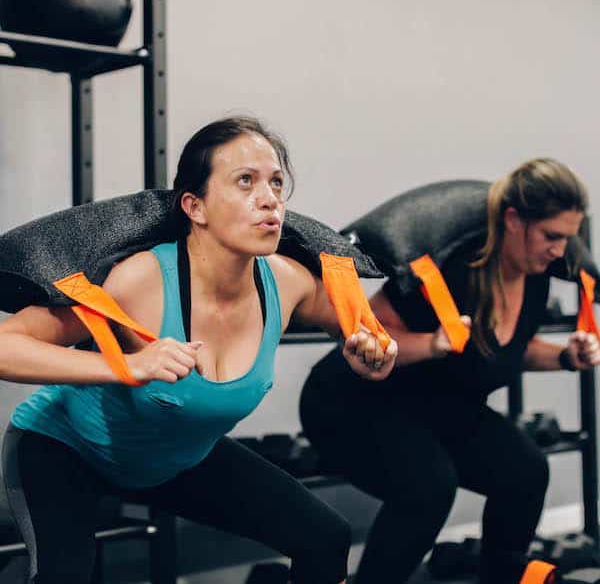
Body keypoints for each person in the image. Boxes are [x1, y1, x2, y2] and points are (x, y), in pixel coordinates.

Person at [0, 116, 397, 584]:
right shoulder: (138, 280)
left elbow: (363, 332)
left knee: (325, 538)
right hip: (65, 450)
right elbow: (6, 346)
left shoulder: (289, 283)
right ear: (195, 206)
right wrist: (126, 365)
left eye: (275, 183)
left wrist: (370, 353)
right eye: (245, 181)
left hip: (177, 458)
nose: (269, 198)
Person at [300, 159, 600, 584]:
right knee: (428, 488)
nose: (560, 250)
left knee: (525, 470)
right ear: (513, 220)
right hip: (355, 401)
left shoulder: (535, 276)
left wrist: (568, 357)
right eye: (551, 236)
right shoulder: (452, 269)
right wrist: (433, 343)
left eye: (567, 239)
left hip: (438, 406)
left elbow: (509, 349)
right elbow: (367, 337)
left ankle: (502, 576)